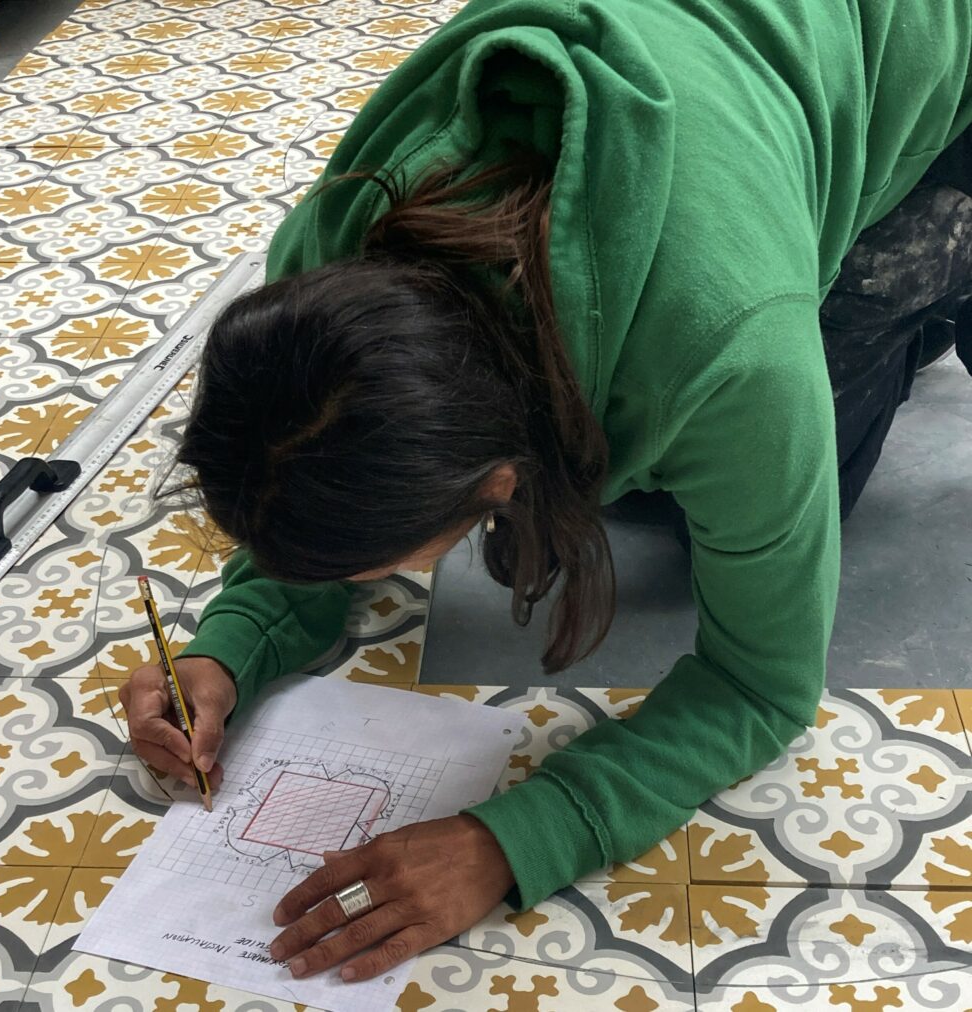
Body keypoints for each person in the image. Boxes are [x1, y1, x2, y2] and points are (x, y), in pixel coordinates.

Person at [120, 0, 972, 987]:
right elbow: (313, 482)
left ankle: (932, 291)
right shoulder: (322, 268)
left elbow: (761, 686)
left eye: (373, 560)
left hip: (920, 38)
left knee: (702, 497)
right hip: (702, 81)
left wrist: (514, 838)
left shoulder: (729, 362)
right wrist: (232, 640)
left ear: (496, 482)